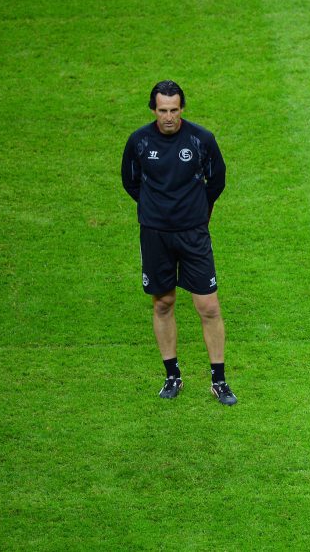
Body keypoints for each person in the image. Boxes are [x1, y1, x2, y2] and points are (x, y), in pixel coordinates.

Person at [121, 80, 237, 405]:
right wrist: (154, 209)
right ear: (153, 110)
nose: (169, 117)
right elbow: (130, 181)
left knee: (209, 306)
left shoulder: (202, 140)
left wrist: (198, 211)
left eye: (174, 110)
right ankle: (172, 376)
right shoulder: (140, 141)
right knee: (163, 303)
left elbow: (217, 180)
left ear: (182, 109)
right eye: (162, 111)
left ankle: (219, 381)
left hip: (193, 234)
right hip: (155, 235)